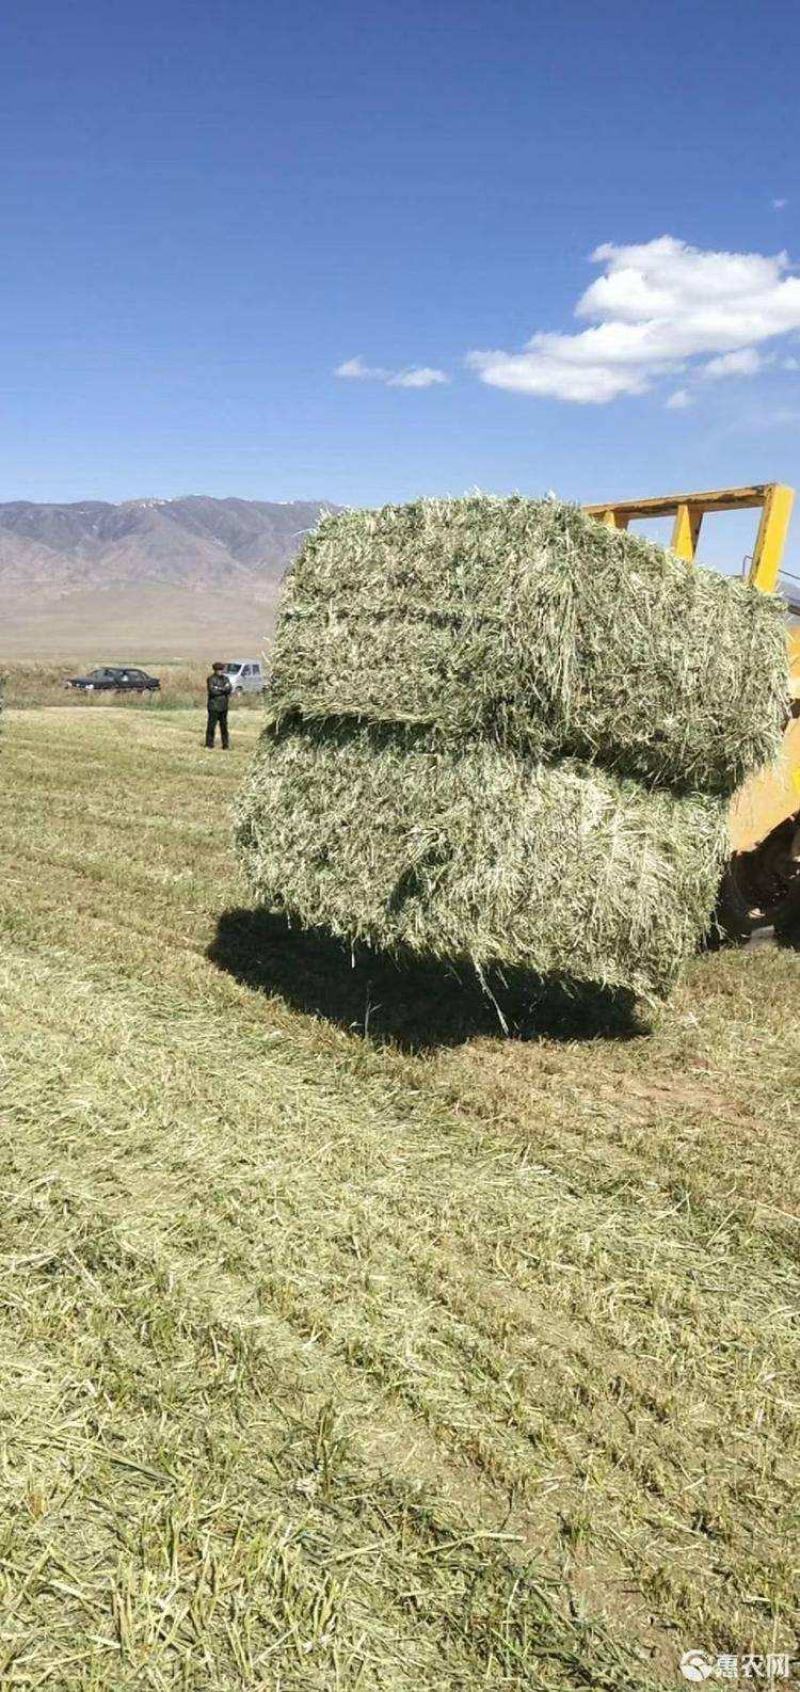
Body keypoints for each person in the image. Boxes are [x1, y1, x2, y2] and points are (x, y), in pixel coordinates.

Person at [206, 662, 232, 748]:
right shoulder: (211, 679)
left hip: (224, 706)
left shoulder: (226, 679)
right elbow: (212, 691)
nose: (221, 671)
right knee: (211, 726)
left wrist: (219, 688)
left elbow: (229, 689)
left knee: (224, 727)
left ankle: (225, 745)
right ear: (215, 670)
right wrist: (223, 689)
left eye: (222, 670)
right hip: (213, 706)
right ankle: (209, 744)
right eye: (219, 670)